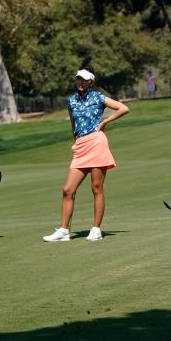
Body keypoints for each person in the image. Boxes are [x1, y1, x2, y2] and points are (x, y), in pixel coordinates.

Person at [43, 66, 129, 242]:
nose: (80, 82)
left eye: (83, 79)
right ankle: (64, 231)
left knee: (96, 188)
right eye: (78, 79)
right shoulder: (71, 101)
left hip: (96, 143)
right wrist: (76, 140)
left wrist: (105, 121)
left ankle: (96, 229)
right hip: (81, 146)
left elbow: (123, 108)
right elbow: (73, 124)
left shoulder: (98, 98)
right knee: (68, 190)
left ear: (91, 81)